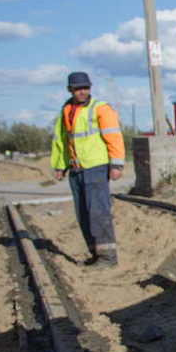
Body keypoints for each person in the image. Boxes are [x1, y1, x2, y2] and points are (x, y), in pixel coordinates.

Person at [50, 71, 124, 266]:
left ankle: (108, 257)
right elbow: (61, 140)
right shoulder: (66, 110)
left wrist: (116, 164)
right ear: (70, 90)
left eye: (85, 88)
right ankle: (95, 254)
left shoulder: (100, 108)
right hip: (76, 170)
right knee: (83, 213)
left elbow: (113, 136)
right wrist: (60, 166)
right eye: (78, 88)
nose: (82, 92)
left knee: (98, 212)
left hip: (96, 167)